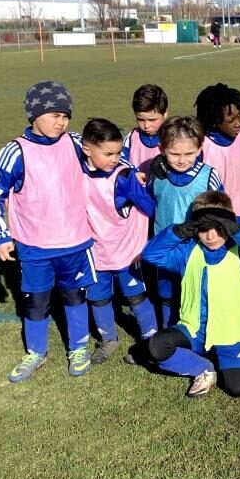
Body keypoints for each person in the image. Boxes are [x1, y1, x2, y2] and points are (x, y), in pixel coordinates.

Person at [0, 81, 96, 382]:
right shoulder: (16, 151)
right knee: (35, 301)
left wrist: (127, 169)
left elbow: (106, 154)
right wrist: (1, 236)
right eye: (54, 114)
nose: (61, 121)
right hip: (34, 247)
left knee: (75, 296)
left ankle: (79, 347)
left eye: (65, 115)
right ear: (34, 114)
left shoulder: (74, 142)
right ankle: (36, 351)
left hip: (74, 242)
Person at [144, 191, 240, 399]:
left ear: (229, 226)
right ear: (195, 228)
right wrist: (177, 232)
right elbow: (151, 255)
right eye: (204, 229)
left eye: (219, 228)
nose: (211, 236)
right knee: (156, 347)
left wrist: (237, 230)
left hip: (231, 336)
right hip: (193, 331)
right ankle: (203, 367)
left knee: (238, 388)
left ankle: (225, 357)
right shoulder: (187, 252)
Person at [80, 118, 159, 363]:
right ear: (86, 150)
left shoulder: (124, 177)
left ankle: (151, 340)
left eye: (118, 152)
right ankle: (108, 339)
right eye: (108, 154)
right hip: (95, 253)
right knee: (99, 298)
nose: (115, 159)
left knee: (136, 297)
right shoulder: (75, 173)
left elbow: (149, 206)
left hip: (126, 253)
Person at [141, 116, 224, 327]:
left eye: (189, 153)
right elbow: (149, 202)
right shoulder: (157, 174)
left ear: (199, 148)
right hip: (165, 248)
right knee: (166, 294)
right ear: (161, 149)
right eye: (174, 154)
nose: (182, 159)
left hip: (196, 249)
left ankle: (195, 335)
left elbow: (220, 212)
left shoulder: (208, 176)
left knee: (196, 294)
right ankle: (168, 334)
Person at [195, 83, 240, 221]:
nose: (238, 123)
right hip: (214, 216)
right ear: (214, 121)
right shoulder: (201, 144)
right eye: (231, 120)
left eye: (239, 116)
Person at [121, 84, 168, 174]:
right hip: (137, 186)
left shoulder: (174, 137)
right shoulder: (132, 137)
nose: (146, 125)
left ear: (165, 113)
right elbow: (120, 159)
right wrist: (133, 173)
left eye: (152, 120)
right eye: (140, 119)